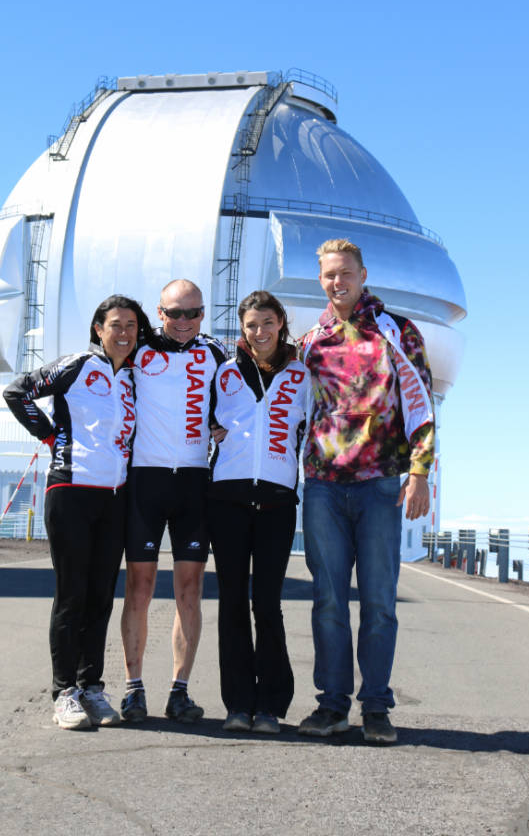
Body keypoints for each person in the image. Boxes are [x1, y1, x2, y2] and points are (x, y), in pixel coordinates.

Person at [296, 239, 434, 744]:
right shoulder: (311, 341)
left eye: (346, 273)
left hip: (379, 484)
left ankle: (376, 707)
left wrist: (420, 472)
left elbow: (420, 403)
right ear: (321, 280)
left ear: (363, 274)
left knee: (378, 602)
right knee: (328, 601)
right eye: (329, 275)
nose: (338, 282)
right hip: (324, 487)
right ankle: (331, 706)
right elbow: (289, 402)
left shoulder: (396, 331)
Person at [3, 295, 155, 730]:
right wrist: (52, 437)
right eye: (115, 324)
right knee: (72, 594)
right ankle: (64, 691)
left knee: (101, 596)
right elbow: (17, 392)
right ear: (98, 329)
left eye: (131, 325)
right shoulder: (77, 365)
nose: (124, 332)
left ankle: (92, 688)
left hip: (115, 496)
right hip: (70, 490)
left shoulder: (135, 377)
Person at [120, 279, 226, 724]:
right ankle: (133, 689)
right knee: (139, 588)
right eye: (175, 313)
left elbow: (240, 397)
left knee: (190, 590)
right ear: (159, 312)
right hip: (145, 479)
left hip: (194, 483)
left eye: (193, 313)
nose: (184, 322)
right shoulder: (137, 349)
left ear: (203, 313)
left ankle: (179, 691)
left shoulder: (216, 352)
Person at [207, 291, 312, 734]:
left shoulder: (302, 374)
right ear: (242, 329)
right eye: (251, 324)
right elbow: (200, 417)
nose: (260, 332)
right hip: (227, 499)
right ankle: (237, 704)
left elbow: (313, 427)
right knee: (231, 602)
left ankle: (270, 704)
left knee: (267, 603)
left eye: (267, 322)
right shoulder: (224, 372)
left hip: (277, 501)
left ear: (281, 323)